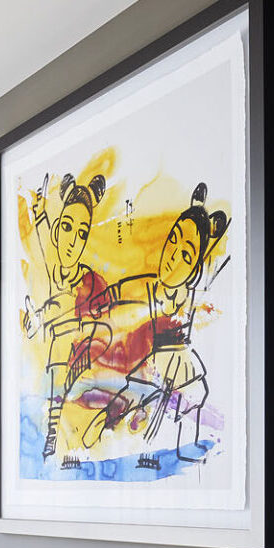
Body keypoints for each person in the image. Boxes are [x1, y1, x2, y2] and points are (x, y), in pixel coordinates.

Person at [80, 183, 230, 463]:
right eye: (173, 240)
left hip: (180, 359)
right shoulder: (154, 288)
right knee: (132, 396)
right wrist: (108, 297)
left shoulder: (190, 293)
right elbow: (128, 290)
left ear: (196, 267)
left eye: (186, 255)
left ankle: (187, 448)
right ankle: (102, 428)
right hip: (159, 359)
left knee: (194, 394)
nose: (173, 255)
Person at [24, 172, 113, 459]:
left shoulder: (91, 283)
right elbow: (40, 242)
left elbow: (103, 329)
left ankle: (65, 427)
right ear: (56, 231)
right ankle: (53, 430)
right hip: (59, 363)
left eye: (82, 233)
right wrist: (35, 323)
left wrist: (73, 326)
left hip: (86, 359)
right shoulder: (51, 277)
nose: (72, 241)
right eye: (66, 227)